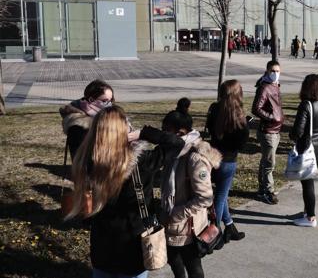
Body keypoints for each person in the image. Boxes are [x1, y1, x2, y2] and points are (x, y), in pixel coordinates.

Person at [66, 105, 185, 278]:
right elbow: (177, 143)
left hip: (102, 244)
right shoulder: (143, 162)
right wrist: (144, 133)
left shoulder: (87, 161)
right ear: (124, 131)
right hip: (134, 242)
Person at [159, 107, 222, 278]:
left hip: (187, 225)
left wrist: (178, 213)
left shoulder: (193, 158)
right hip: (172, 221)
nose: (162, 136)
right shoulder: (174, 152)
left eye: (166, 131)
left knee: (192, 265)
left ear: (180, 133)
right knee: (174, 261)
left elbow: (205, 198)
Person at [206, 80, 248, 243]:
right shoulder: (238, 115)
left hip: (213, 158)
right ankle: (215, 233)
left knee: (221, 196)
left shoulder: (215, 108)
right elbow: (242, 143)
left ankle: (230, 226)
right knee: (220, 196)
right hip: (228, 161)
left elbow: (210, 129)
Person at [289, 75, 318, 227]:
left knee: (308, 184)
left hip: (308, 148)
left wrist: (292, 136)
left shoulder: (306, 105)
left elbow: (297, 131)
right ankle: (307, 211)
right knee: (309, 181)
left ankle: (310, 218)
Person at [252, 60, 284, 205]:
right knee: (270, 163)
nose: (275, 74)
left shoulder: (275, 86)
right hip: (268, 131)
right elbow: (256, 109)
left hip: (275, 130)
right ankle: (268, 191)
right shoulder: (264, 88)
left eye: (278, 71)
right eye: (273, 71)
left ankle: (261, 189)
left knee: (266, 161)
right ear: (267, 71)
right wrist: (272, 118)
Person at [60, 79, 115, 160]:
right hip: (93, 167)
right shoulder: (78, 124)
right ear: (91, 100)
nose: (109, 104)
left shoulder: (109, 114)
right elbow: (81, 157)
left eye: (111, 101)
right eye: (105, 101)